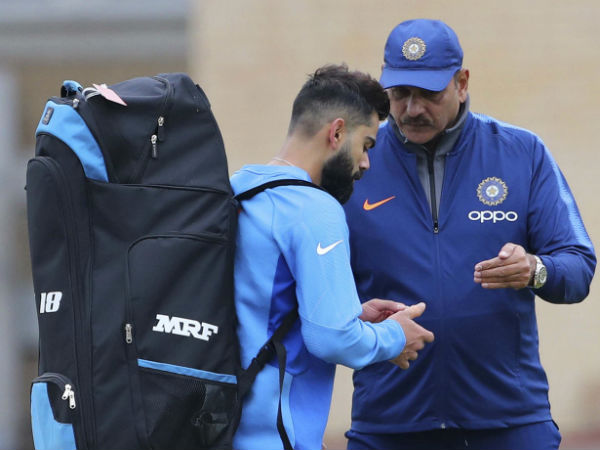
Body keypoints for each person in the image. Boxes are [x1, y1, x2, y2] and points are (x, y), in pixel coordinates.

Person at [343, 19, 596, 450]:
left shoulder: (522, 153)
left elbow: (578, 266)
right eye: (400, 93)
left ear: (461, 83)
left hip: (509, 420)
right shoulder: (353, 161)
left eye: (429, 93)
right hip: (390, 422)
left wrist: (535, 270)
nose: (412, 109)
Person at [230, 64, 435, 450]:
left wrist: (353, 312)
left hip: (220, 428)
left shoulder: (238, 188)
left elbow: (260, 306)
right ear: (337, 132)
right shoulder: (314, 208)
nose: (366, 163)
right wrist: (395, 337)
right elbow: (333, 339)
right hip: (276, 435)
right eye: (366, 145)